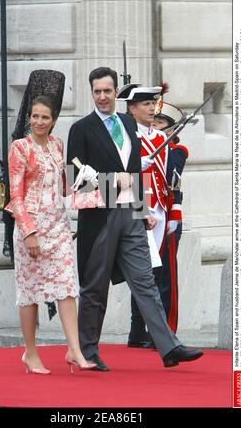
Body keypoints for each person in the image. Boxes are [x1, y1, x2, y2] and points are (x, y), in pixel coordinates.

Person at [67, 66, 203, 370]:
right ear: (92, 93)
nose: (102, 96)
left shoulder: (128, 124)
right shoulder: (82, 128)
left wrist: (143, 212)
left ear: (116, 92)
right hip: (99, 217)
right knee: (95, 288)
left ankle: (169, 347)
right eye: (97, 91)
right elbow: (73, 175)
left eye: (107, 91)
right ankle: (87, 351)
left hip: (131, 214)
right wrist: (112, 179)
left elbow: (134, 174)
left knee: (145, 282)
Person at [4, 94, 96, 375]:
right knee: (30, 293)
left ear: (54, 120)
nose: (39, 122)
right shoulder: (20, 148)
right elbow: (15, 195)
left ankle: (75, 351)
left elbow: (66, 189)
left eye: (45, 117)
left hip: (58, 227)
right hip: (31, 229)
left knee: (67, 288)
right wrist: (29, 232)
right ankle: (30, 354)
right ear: (28, 118)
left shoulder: (58, 145)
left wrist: (94, 189)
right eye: (35, 116)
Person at [117, 84, 182, 348]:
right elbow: (122, 179)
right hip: (138, 208)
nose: (151, 108)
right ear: (132, 109)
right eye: (145, 104)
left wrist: (171, 212)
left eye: (152, 104)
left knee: (155, 272)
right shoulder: (125, 136)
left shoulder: (159, 139)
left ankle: (149, 333)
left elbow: (167, 179)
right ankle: (137, 329)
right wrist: (142, 211)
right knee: (141, 272)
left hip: (160, 210)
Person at [153, 101, 189, 333]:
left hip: (168, 217)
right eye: (153, 121)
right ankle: (143, 329)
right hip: (146, 215)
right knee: (147, 274)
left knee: (166, 275)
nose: (156, 126)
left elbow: (169, 176)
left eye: (161, 123)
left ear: (171, 128)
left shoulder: (177, 151)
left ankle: (168, 328)